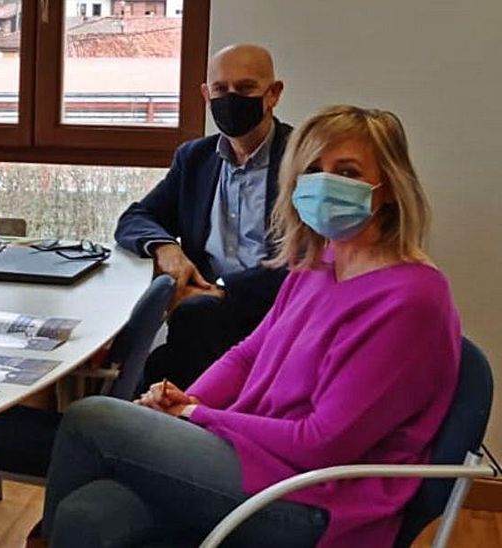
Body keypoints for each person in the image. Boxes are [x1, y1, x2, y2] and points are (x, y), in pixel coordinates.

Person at [41, 105, 461, 548]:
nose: (325, 183)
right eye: (313, 170)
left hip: (315, 499)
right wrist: (190, 401)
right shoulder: (318, 264)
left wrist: (197, 416)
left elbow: (323, 443)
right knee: (88, 514)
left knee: (91, 417)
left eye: (348, 172)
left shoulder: (411, 300)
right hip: (256, 458)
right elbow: (247, 355)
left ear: (390, 186)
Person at [115, 44, 291, 389]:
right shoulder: (195, 158)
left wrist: (221, 290)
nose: (231, 99)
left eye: (245, 89)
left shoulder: (303, 158)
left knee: (182, 339)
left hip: (273, 312)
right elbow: (135, 218)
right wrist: (166, 248)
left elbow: (310, 258)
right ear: (206, 94)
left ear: (273, 94)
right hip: (201, 318)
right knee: (145, 372)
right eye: (221, 89)